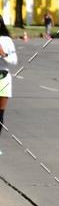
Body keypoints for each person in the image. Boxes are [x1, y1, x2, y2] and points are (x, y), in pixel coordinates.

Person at [0, 16, 17, 156]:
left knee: (0, 114)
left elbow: (14, 61)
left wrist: (3, 54)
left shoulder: (7, 41)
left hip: (3, 78)